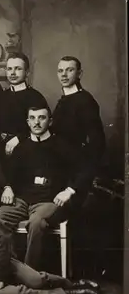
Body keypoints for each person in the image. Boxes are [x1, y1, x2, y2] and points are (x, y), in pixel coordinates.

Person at [0, 105, 88, 270]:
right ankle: (11, 267)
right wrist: (7, 187)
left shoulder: (63, 146)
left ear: (50, 121)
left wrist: (69, 191)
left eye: (41, 118)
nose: (37, 122)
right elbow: (9, 174)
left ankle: (30, 273)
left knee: (36, 222)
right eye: (33, 118)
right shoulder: (21, 148)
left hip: (49, 201)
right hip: (22, 201)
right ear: (28, 122)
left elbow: (84, 170)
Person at [52, 56, 106, 193]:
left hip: (75, 169)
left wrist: (82, 175)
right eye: (60, 71)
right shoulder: (64, 100)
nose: (63, 75)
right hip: (58, 164)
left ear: (79, 74)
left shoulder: (86, 101)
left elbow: (97, 143)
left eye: (69, 70)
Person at [0, 53, 50, 158]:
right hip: (1, 150)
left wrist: (18, 138)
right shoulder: (1, 96)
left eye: (18, 69)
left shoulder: (35, 97)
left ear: (27, 72)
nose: (13, 73)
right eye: (9, 69)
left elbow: (42, 127)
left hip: (26, 149)